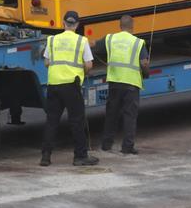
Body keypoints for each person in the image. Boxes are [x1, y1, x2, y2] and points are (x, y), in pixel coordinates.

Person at [40, 11, 99, 167]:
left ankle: (45, 156)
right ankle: (80, 156)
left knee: (52, 121)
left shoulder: (52, 40)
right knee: (77, 121)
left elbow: (46, 63)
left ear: (63, 23)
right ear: (77, 25)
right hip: (72, 86)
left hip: (53, 84)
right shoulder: (82, 41)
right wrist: (83, 72)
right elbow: (89, 65)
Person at [100, 15, 150, 155]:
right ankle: (127, 147)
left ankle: (106, 144)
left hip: (114, 82)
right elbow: (144, 63)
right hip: (131, 84)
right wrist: (146, 74)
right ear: (132, 26)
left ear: (119, 26)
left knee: (111, 114)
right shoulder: (138, 42)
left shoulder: (110, 39)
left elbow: (95, 46)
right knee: (129, 116)